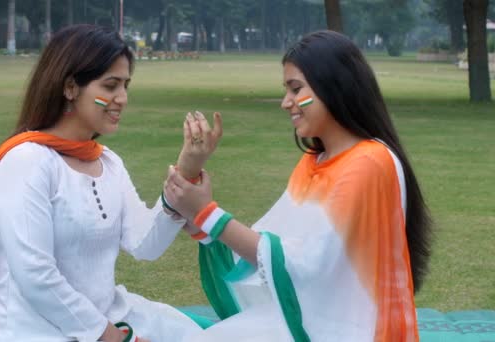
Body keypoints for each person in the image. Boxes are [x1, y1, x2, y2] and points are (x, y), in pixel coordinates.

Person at [0, 25, 221, 342]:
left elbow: (145, 245)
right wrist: (115, 338)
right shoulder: (25, 163)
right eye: (110, 86)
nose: (122, 98)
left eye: (126, 85)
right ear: (70, 87)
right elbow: (36, 277)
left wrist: (188, 169)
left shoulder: (108, 163)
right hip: (35, 331)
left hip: (109, 318)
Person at [165, 30, 432, 341]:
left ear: (334, 86)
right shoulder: (313, 162)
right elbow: (272, 246)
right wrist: (203, 221)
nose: (285, 103)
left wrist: (208, 215)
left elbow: (301, 265)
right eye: (286, 90)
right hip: (306, 318)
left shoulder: (369, 163)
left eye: (296, 89)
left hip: (347, 329)